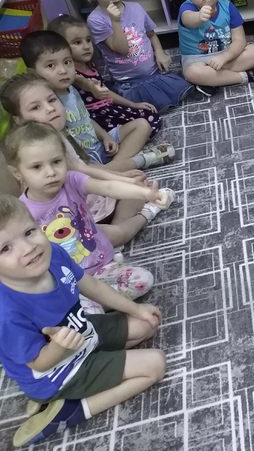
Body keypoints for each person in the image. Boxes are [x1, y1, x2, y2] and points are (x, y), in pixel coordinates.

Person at [0, 195, 166, 447]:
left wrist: (136, 309)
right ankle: (72, 410)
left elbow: (92, 286)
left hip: (81, 333)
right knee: (155, 365)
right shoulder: (6, 314)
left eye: (29, 232)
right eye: (5, 248)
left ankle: (96, 368)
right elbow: (38, 363)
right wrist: (59, 347)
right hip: (55, 372)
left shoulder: (52, 253)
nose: (28, 248)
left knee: (147, 323)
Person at [5, 121, 174, 314]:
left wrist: (146, 194)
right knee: (90, 313)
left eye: (57, 161)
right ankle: (101, 305)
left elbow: (107, 187)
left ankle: (101, 303)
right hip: (69, 281)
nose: (50, 172)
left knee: (143, 280)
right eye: (37, 167)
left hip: (102, 264)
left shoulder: (71, 180)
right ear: (17, 172)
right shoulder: (22, 211)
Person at [0, 73, 168, 249]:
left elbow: (86, 170)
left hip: (90, 199)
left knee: (137, 190)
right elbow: (84, 171)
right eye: (36, 107)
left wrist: (125, 180)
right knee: (119, 225)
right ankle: (145, 215)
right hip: (75, 217)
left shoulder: (56, 136)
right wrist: (124, 179)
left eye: (52, 100)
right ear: (19, 119)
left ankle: (117, 231)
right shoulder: (39, 150)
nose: (50, 109)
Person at [20, 31, 175, 172]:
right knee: (83, 173)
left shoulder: (71, 89)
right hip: (81, 159)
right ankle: (132, 163)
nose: (63, 70)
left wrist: (105, 137)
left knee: (142, 125)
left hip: (99, 146)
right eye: (51, 65)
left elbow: (85, 119)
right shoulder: (47, 104)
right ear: (33, 72)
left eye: (67, 62)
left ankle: (112, 168)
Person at [79, 0, 193, 111]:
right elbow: (122, 49)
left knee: (182, 88)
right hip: (128, 81)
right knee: (148, 107)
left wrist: (160, 53)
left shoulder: (136, 8)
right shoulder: (95, 20)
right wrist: (115, 21)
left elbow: (151, 35)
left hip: (153, 72)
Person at [49, 15, 162, 138]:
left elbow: (106, 93)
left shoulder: (90, 66)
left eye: (88, 40)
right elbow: (81, 81)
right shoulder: (69, 74)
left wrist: (132, 104)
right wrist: (91, 86)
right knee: (144, 126)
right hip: (97, 120)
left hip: (108, 108)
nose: (86, 46)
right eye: (77, 42)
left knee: (151, 116)